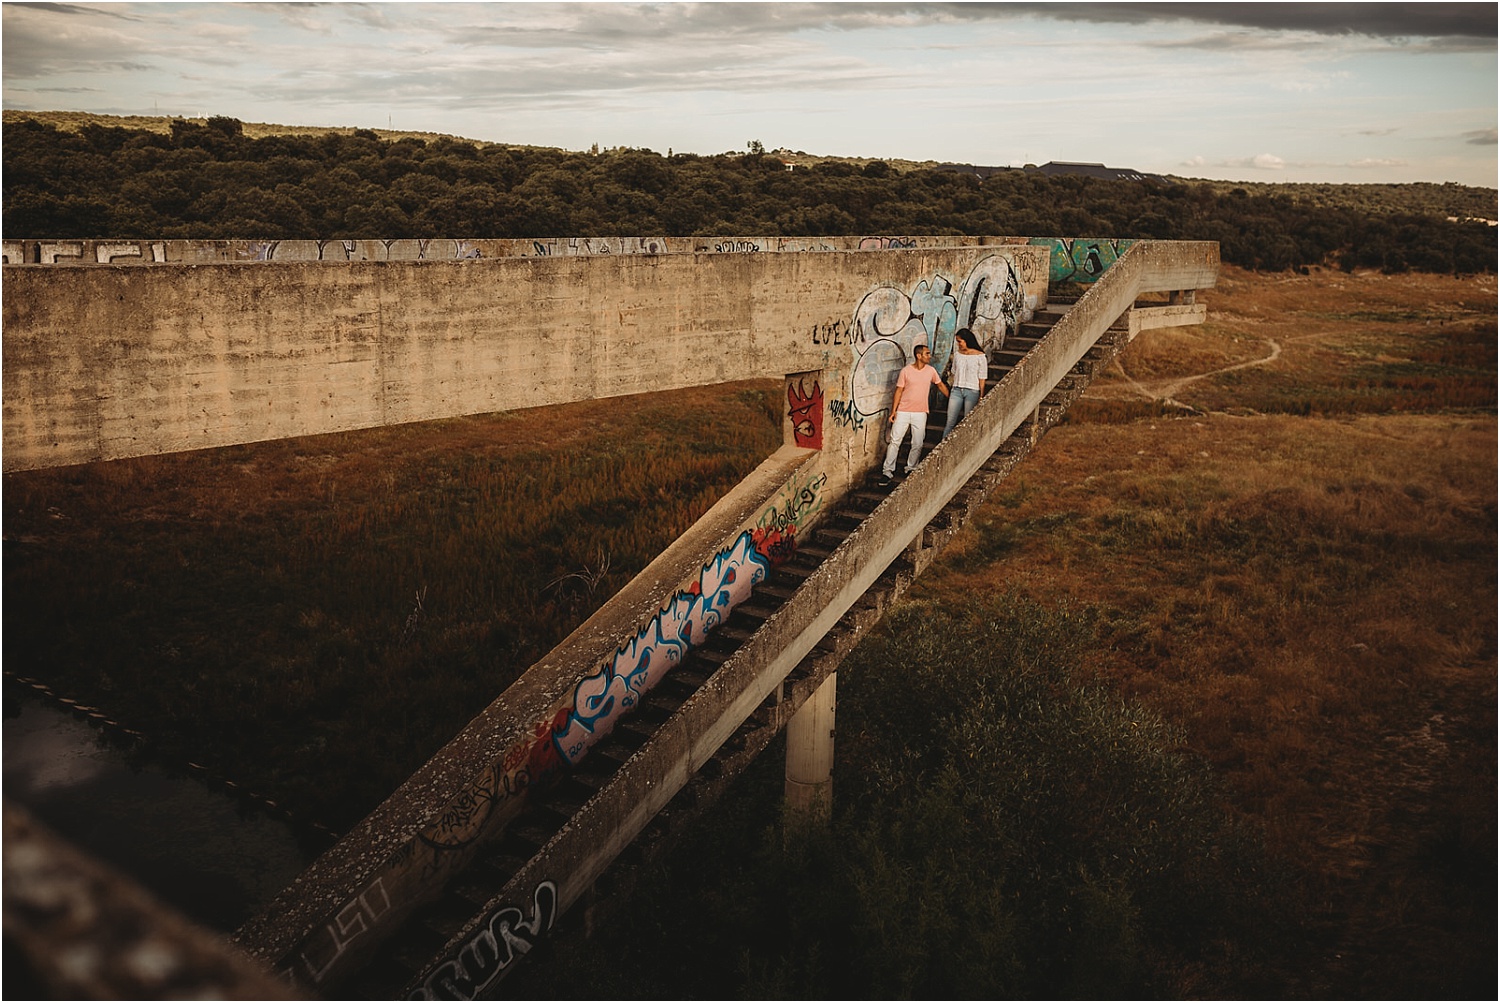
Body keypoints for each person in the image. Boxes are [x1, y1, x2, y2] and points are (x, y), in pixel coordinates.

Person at [881, 343, 948, 486]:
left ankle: (911, 468)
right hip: (903, 411)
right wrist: (894, 411)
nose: (930, 356)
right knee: (895, 441)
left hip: (920, 412)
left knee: (917, 443)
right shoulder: (906, 371)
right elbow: (898, 391)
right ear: (919, 356)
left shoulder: (931, 371)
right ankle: (887, 471)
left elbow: (940, 385)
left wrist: (951, 398)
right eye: (927, 354)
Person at [941, 327, 987, 440]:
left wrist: (981, 395)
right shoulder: (957, 355)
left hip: (972, 390)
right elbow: (954, 371)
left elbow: (982, 377)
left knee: (967, 421)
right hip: (956, 389)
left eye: (960, 341)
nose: (958, 344)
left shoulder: (980, 356)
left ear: (967, 340)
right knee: (950, 421)